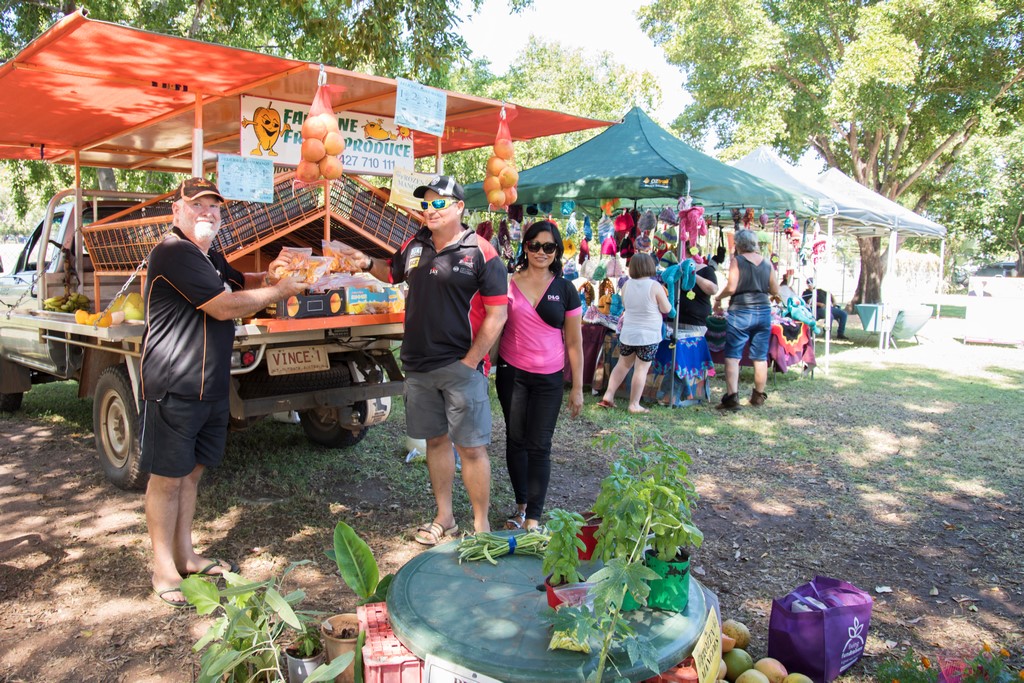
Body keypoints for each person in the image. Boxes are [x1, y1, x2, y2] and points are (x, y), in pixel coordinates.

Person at [142, 177, 307, 608]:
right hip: (175, 384)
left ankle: (185, 554)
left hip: (211, 384)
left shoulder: (208, 254)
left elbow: (238, 281)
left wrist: (269, 274)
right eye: (198, 204)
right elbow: (223, 305)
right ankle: (163, 569)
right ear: (177, 210)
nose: (208, 213)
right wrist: (278, 291)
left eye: (214, 206)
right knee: (167, 478)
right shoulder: (174, 252)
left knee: (191, 474)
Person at [355, 175, 507, 545]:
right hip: (418, 366)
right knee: (435, 443)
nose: (430, 210)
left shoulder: (481, 252)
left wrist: (471, 362)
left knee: (471, 448)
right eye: (425, 204)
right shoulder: (415, 244)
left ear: (459, 207)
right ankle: (445, 518)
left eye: (439, 203)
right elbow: (391, 273)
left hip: (460, 367)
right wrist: (365, 261)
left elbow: (498, 314)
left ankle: (482, 527)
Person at [494, 220, 584, 531]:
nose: (541, 252)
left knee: (540, 445)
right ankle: (521, 509)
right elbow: (492, 324)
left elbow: (574, 343)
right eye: (534, 245)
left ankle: (533, 518)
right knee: (515, 440)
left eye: (548, 247)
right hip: (512, 374)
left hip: (549, 379)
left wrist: (577, 388)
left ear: (557, 251)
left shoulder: (566, 289)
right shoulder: (507, 283)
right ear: (525, 247)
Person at [711, 228, 779, 410]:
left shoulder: (738, 261)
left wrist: (718, 298)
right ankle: (758, 397)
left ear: (738, 245)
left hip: (740, 311)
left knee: (733, 356)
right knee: (760, 356)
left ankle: (732, 398)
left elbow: (731, 287)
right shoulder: (767, 263)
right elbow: (775, 290)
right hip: (763, 312)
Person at [597, 252, 671, 414]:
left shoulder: (626, 286)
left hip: (628, 333)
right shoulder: (655, 286)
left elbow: (626, 305)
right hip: (648, 336)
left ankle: (608, 395)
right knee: (641, 369)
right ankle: (634, 404)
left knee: (622, 365)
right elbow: (666, 309)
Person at [658, 256, 717, 407]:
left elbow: (713, 289)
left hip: (695, 324)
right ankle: (669, 394)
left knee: (687, 357)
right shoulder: (674, 270)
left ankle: (682, 394)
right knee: (672, 357)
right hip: (672, 322)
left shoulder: (707, 271)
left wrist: (693, 274)